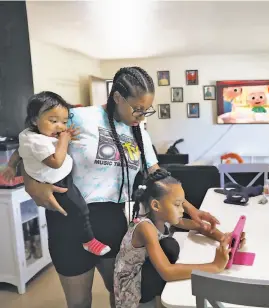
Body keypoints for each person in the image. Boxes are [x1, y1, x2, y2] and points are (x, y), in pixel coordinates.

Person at [5, 67, 219, 308]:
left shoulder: (139, 131)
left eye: (146, 109)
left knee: (122, 295)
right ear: (117, 97)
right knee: (79, 303)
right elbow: (32, 144)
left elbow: (158, 176)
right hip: (68, 222)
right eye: (137, 108)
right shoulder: (79, 118)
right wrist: (32, 184)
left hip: (113, 223)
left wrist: (192, 210)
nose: (141, 115)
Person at [114, 169, 245, 308]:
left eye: (182, 204)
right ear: (156, 205)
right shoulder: (145, 227)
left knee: (172, 248)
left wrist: (225, 238)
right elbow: (167, 272)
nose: (182, 210)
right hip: (132, 286)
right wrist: (215, 266)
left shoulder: (163, 216)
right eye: (177, 204)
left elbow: (200, 227)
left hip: (146, 270)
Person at [13, 92, 110, 256]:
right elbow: (56, 162)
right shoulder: (37, 141)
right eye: (53, 121)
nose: (60, 126)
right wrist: (64, 141)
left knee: (74, 212)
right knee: (80, 210)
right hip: (58, 183)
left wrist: (10, 166)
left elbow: (19, 152)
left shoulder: (34, 135)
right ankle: (88, 241)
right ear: (35, 120)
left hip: (61, 179)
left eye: (64, 122)